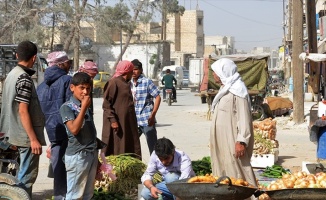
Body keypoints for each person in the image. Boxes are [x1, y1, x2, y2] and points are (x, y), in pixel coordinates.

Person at [0, 40, 46, 197]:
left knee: (22, 176)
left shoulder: (11, 75)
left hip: (13, 132)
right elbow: (23, 111)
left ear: (17, 55)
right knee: (25, 179)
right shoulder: (24, 79)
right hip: (24, 136)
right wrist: (33, 139)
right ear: (34, 58)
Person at [209, 58, 257, 199]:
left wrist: (241, 141)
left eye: (216, 72)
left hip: (233, 139)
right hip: (222, 139)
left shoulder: (238, 91)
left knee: (238, 169)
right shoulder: (225, 89)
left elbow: (244, 118)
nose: (214, 75)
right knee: (222, 167)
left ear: (224, 72)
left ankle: (251, 195)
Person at [36, 51, 72, 199]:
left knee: (58, 168)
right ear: (61, 64)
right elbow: (72, 108)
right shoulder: (68, 81)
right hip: (69, 131)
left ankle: (59, 196)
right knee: (72, 169)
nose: (69, 65)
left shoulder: (41, 86)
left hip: (52, 133)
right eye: (68, 62)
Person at [59, 72, 98, 200]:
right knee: (74, 196)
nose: (85, 92)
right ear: (72, 88)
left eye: (88, 88)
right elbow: (74, 129)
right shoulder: (67, 107)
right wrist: (83, 109)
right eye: (82, 88)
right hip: (78, 156)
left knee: (87, 194)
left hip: (90, 154)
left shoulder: (85, 105)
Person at [102, 60, 141, 158]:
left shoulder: (126, 83)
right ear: (127, 71)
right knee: (116, 146)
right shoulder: (113, 82)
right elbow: (106, 104)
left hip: (127, 122)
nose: (133, 73)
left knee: (129, 145)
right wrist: (113, 120)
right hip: (117, 122)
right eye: (131, 71)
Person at [131, 59, 161, 154]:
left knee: (153, 147)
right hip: (133, 120)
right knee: (131, 146)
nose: (133, 72)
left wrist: (153, 114)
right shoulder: (128, 83)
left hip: (146, 119)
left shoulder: (146, 82)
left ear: (140, 70)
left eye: (136, 69)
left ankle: (156, 166)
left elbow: (158, 97)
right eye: (131, 69)